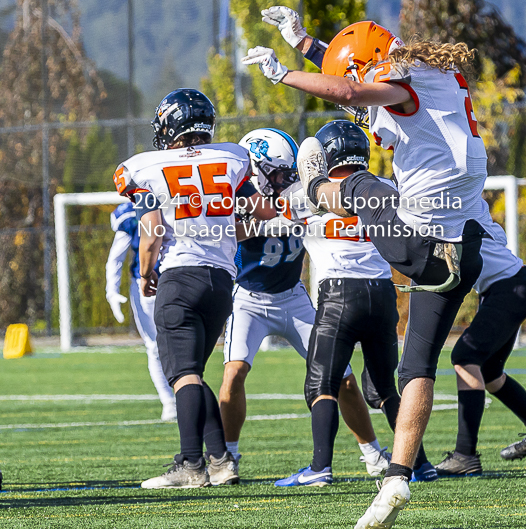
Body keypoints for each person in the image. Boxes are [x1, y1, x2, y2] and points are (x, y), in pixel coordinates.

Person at [244, 8, 488, 529]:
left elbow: (351, 91)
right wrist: (306, 42)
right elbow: (351, 75)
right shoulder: (431, 78)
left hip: (424, 242)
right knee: (416, 368)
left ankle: (308, 194)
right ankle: (398, 475)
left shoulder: (399, 82)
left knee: (357, 187)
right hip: (462, 251)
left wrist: (282, 74)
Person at [220, 126, 393, 480]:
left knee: (342, 378)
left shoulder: (300, 197)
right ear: (255, 171)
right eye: (279, 173)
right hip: (250, 299)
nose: (286, 180)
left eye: (289, 173)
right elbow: (226, 231)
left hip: (294, 296)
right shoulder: (236, 202)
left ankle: (373, 454)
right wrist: (259, 221)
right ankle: (228, 458)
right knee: (234, 371)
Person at [113, 88, 261, 489]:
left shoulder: (146, 166)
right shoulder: (231, 157)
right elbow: (259, 211)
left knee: (182, 374)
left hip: (180, 276)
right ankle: (220, 462)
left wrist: (145, 273)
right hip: (221, 281)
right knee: (192, 372)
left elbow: (150, 230)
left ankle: (191, 465)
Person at [269, 120, 403, 487]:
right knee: (384, 387)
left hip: (339, 294)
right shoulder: (387, 188)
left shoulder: (303, 196)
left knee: (321, 384)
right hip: (382, 293)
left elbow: (269, 215)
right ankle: (415, 464)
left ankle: (319, 468)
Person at [434, 225, 526, 474]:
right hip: (509, 285)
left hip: (508, 287)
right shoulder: (463, 211)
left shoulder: (451, 213)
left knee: (464, 357)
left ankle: (465, 456)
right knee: (490, 372)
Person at [105, 201, 176, 422]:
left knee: (183, 346)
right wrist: (111, 290)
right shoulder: (131, 213)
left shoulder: (180, 200)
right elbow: (116, 256)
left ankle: (188, 397)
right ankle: (169, 401)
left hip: (180, 280)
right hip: (147, 285)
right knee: (155, 346)